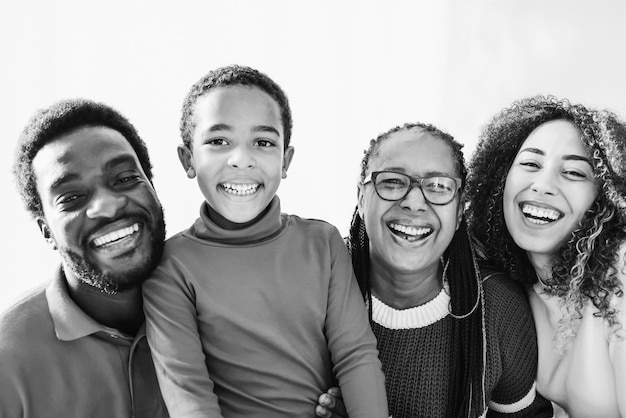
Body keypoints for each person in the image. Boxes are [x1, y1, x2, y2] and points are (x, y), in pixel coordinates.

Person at [141, 65, 388, 417]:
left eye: (263, 142)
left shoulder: (323, 243)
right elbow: (190, 396)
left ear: (285, 160)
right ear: (188, 159)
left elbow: (355, 354)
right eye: (218, 141)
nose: (241, 159)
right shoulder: (171, 266)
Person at [315, 122, 552, 417]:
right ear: (362, 198)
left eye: (438, 186)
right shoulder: (313, 280)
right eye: (392, 181)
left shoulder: (497, 307)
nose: (414, 202)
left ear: (459, 210)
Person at [0, 99, 168, 417]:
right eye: (72, 197)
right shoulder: (7, 361)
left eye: (123, 179)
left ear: (152, 187)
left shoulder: (219, 303)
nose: (107, 206)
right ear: (46, 230)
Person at [466, 96, 626, 417]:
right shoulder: (514, 290)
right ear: (501, 180)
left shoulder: (619, 273)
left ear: (605, 197)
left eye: (574, 172)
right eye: (530, 164)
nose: (543, 185)